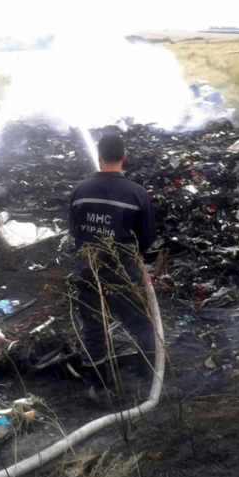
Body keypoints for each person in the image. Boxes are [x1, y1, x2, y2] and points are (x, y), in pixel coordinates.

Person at [69, 133, 157, 402]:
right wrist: (135, 261)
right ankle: (148, 380)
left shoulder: (80, 191)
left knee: (93, 326)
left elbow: (75, 232)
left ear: (99, 157)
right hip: (122, 271)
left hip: (87, 268)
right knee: (141, 323)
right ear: (124, 157)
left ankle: (100, 387)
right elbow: (147, 238)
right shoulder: (136, 193)